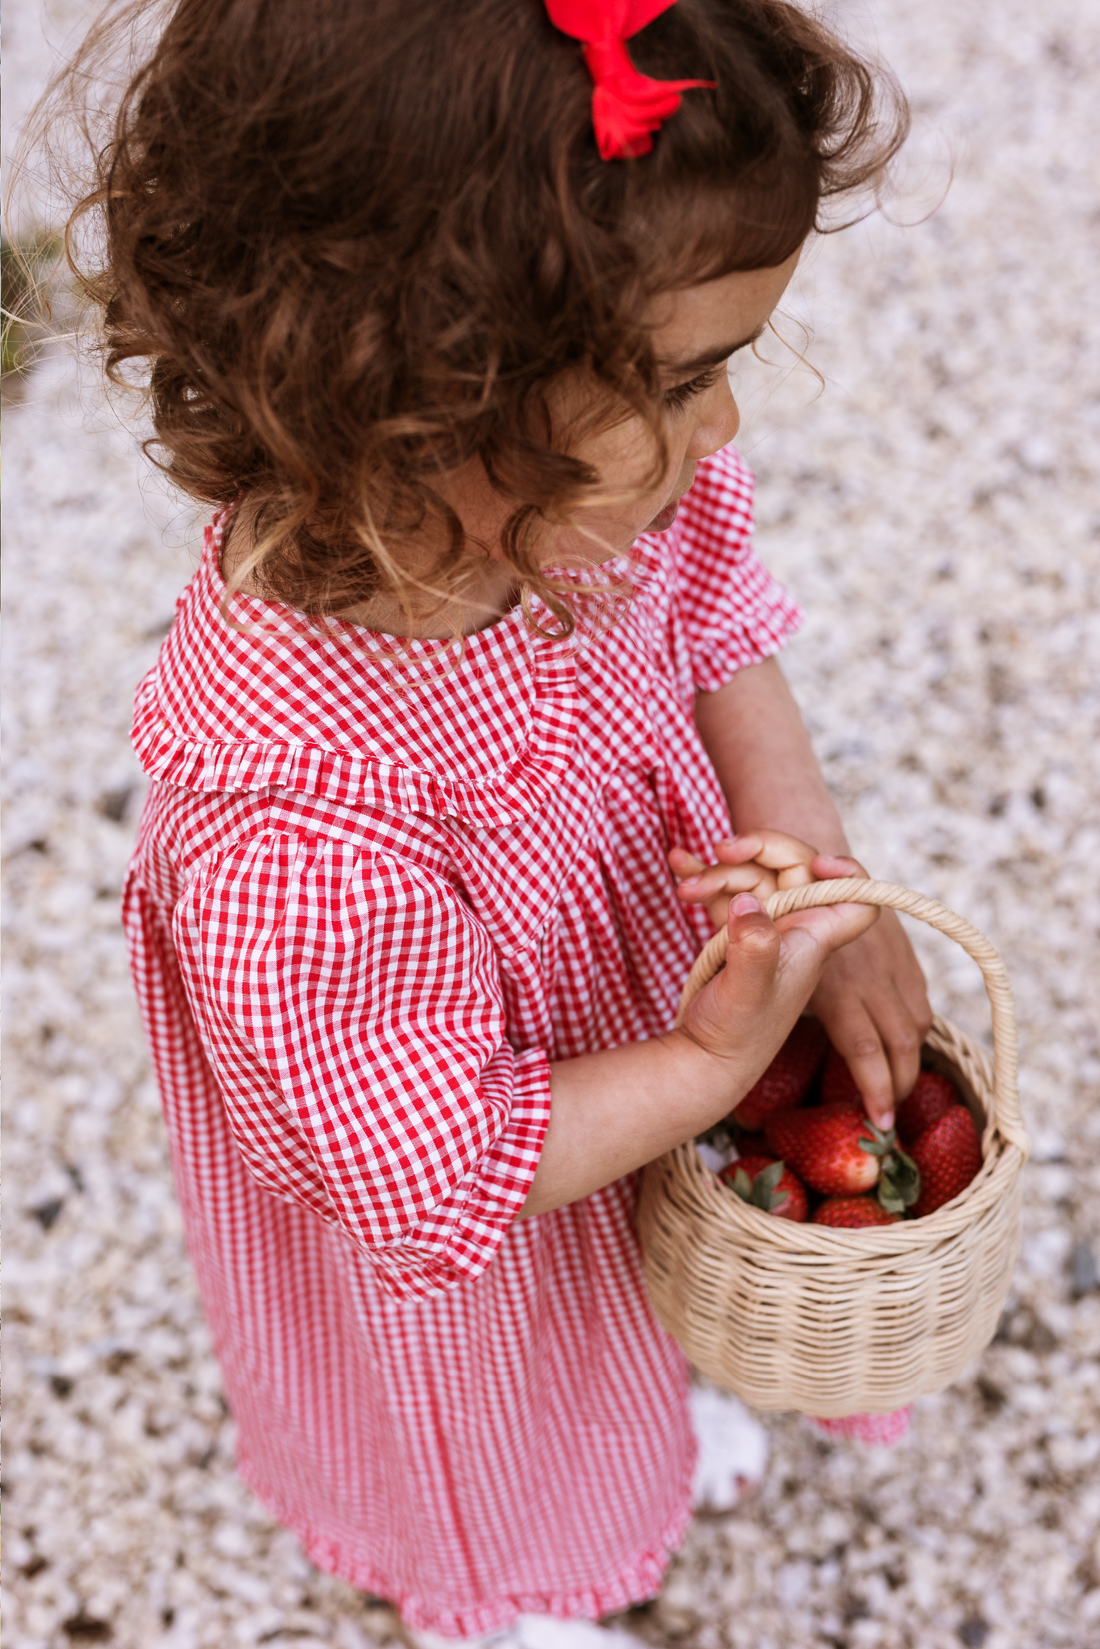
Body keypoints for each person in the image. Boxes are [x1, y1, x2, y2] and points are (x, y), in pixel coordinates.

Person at [56, 0, 929, 1640]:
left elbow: (715, 616)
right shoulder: (291, 817)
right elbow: (437, 1168)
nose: (720, 427)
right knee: (521, 1384)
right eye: (684, 379)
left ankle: (662, 1396)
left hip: (646, 1025)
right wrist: (709, 1071)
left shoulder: (593, 484)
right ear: (405, 394)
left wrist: (820, 871)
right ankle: (515, 1576)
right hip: (508, 1161)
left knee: (658, 1263)